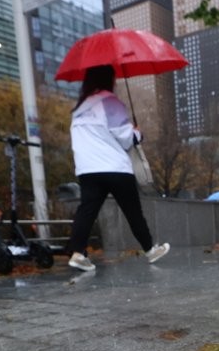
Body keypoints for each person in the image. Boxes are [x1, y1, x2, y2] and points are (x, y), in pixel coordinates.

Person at [66, 64, 169, 271]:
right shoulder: (110, 102)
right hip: (114, 167)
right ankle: (150, 250)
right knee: (133, 211)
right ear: (107, 80)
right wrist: (137, 134)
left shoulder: (78, 110)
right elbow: (125, 139)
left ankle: (77, 253)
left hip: (88, 169)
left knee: (87, 211)